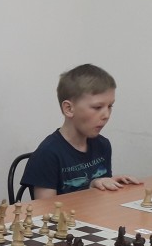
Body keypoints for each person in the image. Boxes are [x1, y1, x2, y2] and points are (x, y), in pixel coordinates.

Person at [22, 63, 142, 199]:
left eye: (110, 106)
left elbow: (102, 199)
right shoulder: (47, 155)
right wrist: (90, 187)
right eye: (97, 107)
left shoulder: (103, 145)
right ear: (69, 109)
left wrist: (109, 183)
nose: (106, 115)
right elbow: (46, 209)